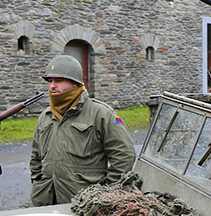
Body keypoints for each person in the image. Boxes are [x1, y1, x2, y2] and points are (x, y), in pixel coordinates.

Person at [30, 55, 136, 205]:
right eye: (50, 81)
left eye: (59, 80)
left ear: (75, 83)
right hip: (46, 201)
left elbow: (124, 155)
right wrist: (37, 182)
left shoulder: (102, 114)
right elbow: (36, 156)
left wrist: (106, 192)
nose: (52, 86)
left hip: (85, 203)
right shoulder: (45, 116)